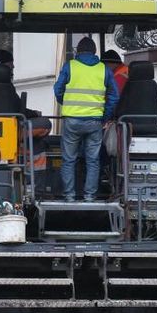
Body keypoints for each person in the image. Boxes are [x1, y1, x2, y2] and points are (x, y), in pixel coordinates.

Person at [53, 36, 119, 202]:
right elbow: (114, 96)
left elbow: (58, 89)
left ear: (77, 51)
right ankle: (90, 196)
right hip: (94, 122)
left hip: (72, 121)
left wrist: (66, 103)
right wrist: (104, 116)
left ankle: (69, 196)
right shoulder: (104, 69)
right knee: (93, 160)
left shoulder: (70, 66)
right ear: (95, 52)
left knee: (69, 159)